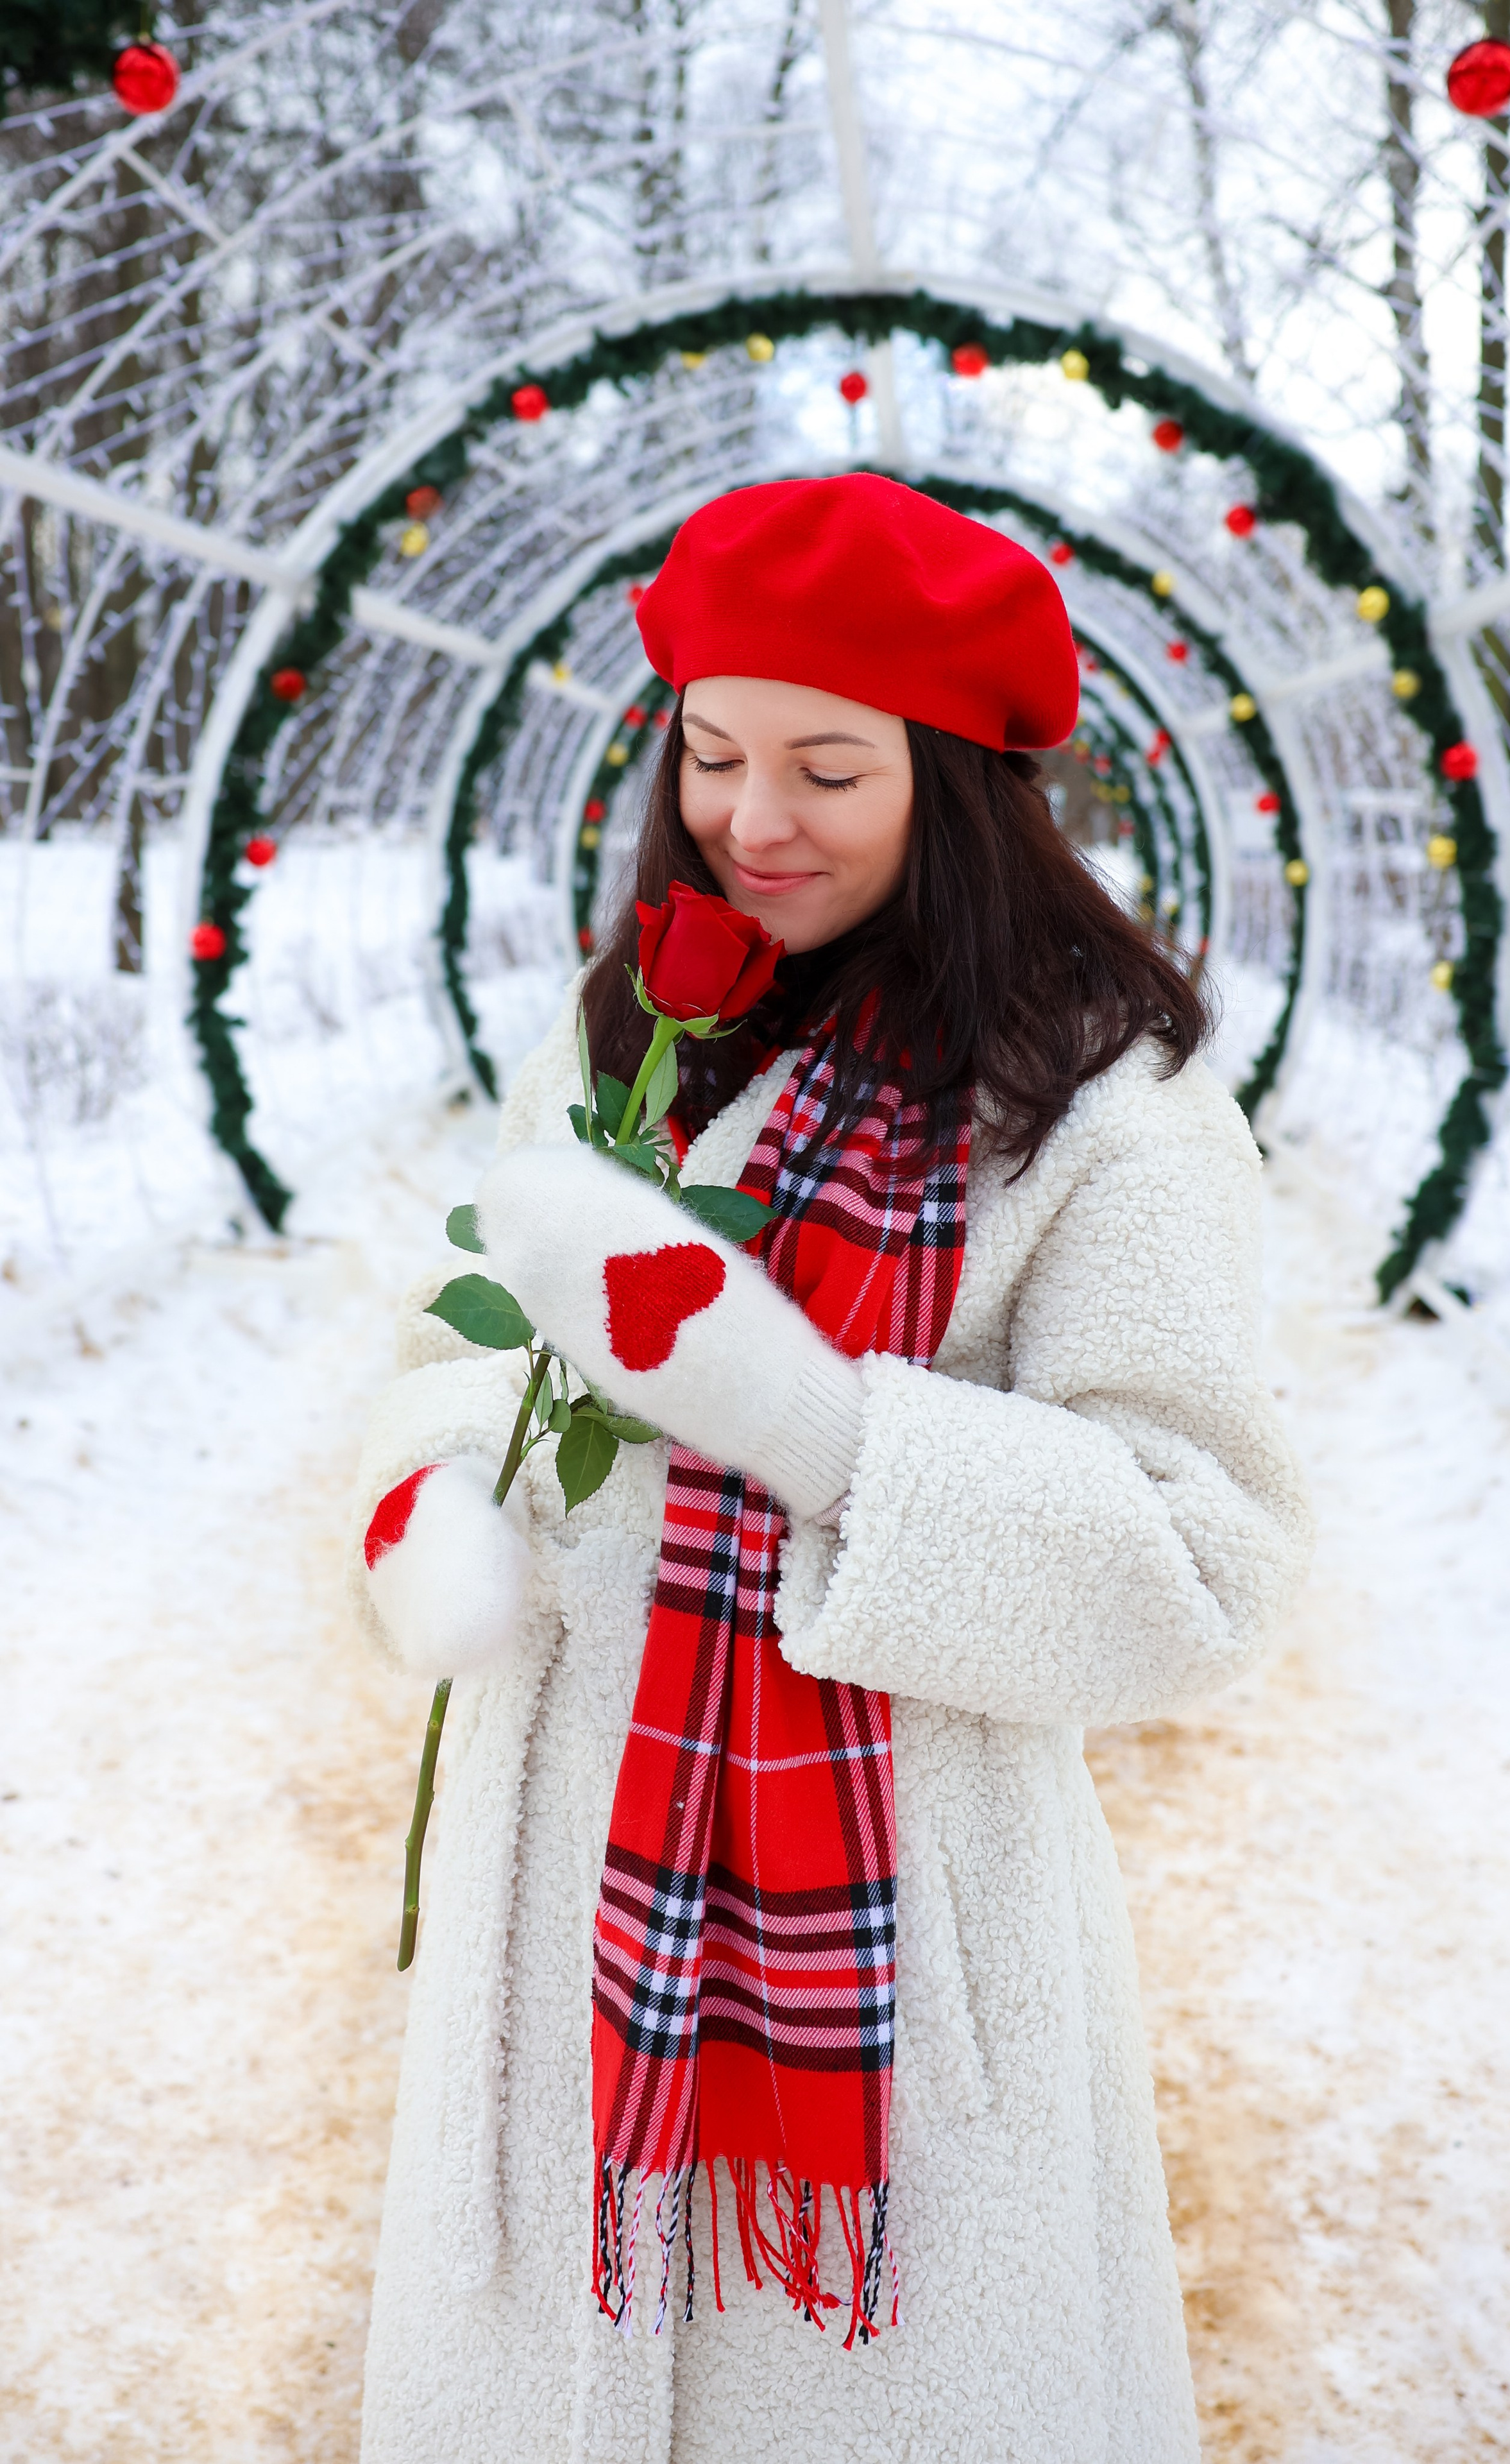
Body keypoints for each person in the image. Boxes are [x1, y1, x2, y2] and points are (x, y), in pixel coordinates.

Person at [348, 474, 1312, 2464]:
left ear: (955, 780)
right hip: (577, 1897)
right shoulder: (633, 1017)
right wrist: (429, 1493)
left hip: (893, 1958)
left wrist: (807, 1425)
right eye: (710, 751)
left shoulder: (1098, 1098)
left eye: (826, 768)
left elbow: (1206, 1562)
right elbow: (491, 1323)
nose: (751, 820)